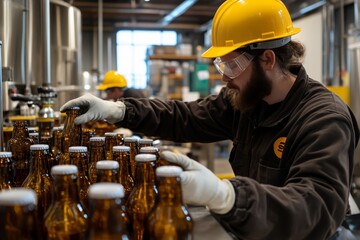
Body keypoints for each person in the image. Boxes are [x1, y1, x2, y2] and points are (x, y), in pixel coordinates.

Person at [61, 0, 360, 239]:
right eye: (220, 63)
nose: (223, 75)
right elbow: (186, 116)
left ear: (268, 59)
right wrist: (122, 110)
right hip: (255, 226)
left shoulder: (324, 119)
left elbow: (315, 209)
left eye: (232, 64)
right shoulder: (247, 101)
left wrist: (225, 194)